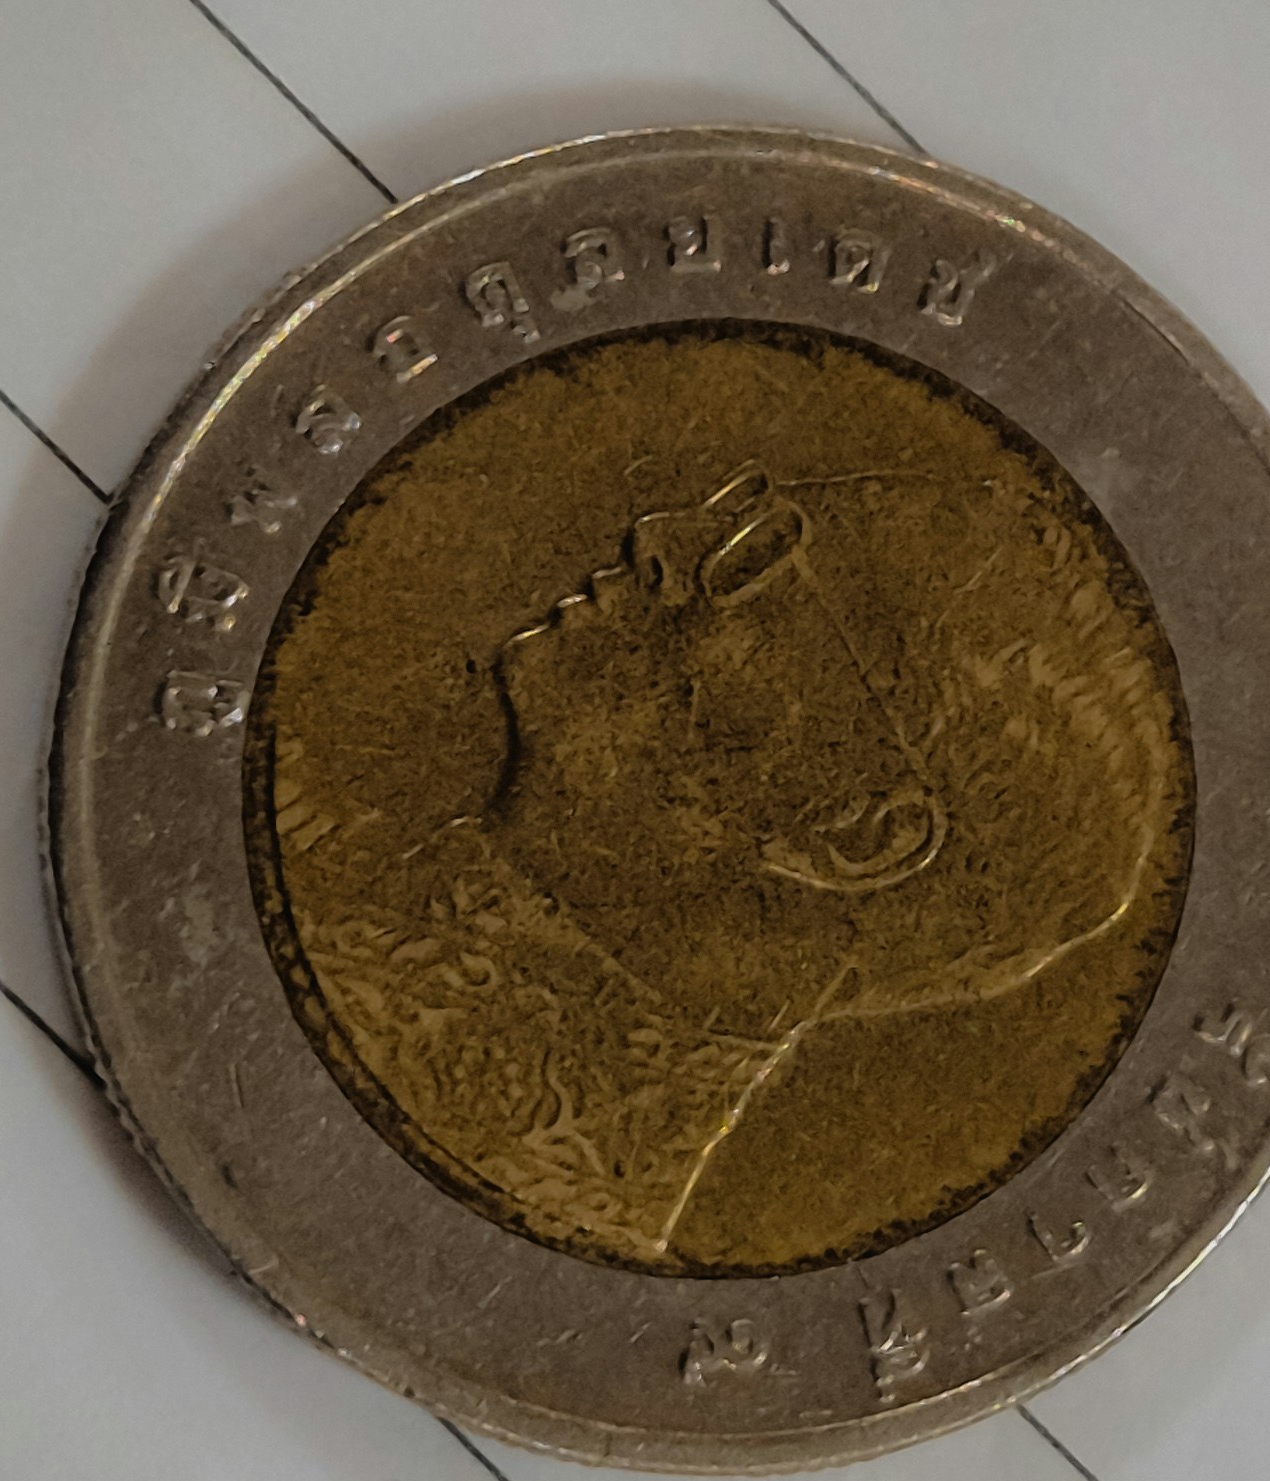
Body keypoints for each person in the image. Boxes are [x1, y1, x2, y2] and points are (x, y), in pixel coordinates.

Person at [266, 449, 1186, 1269]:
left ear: (855, 835)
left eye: (754, 562)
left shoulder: (486, 1183)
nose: (662, 537)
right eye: (743, 513)